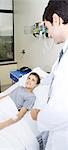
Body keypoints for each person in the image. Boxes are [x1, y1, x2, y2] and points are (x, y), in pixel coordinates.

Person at [36, 1, 68, 150]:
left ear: (56, 20)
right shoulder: (63, 53)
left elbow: (61, 113)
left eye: (48, 28)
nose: (48, 34)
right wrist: (40, 80)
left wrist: (38, 115)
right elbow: (55, 77)